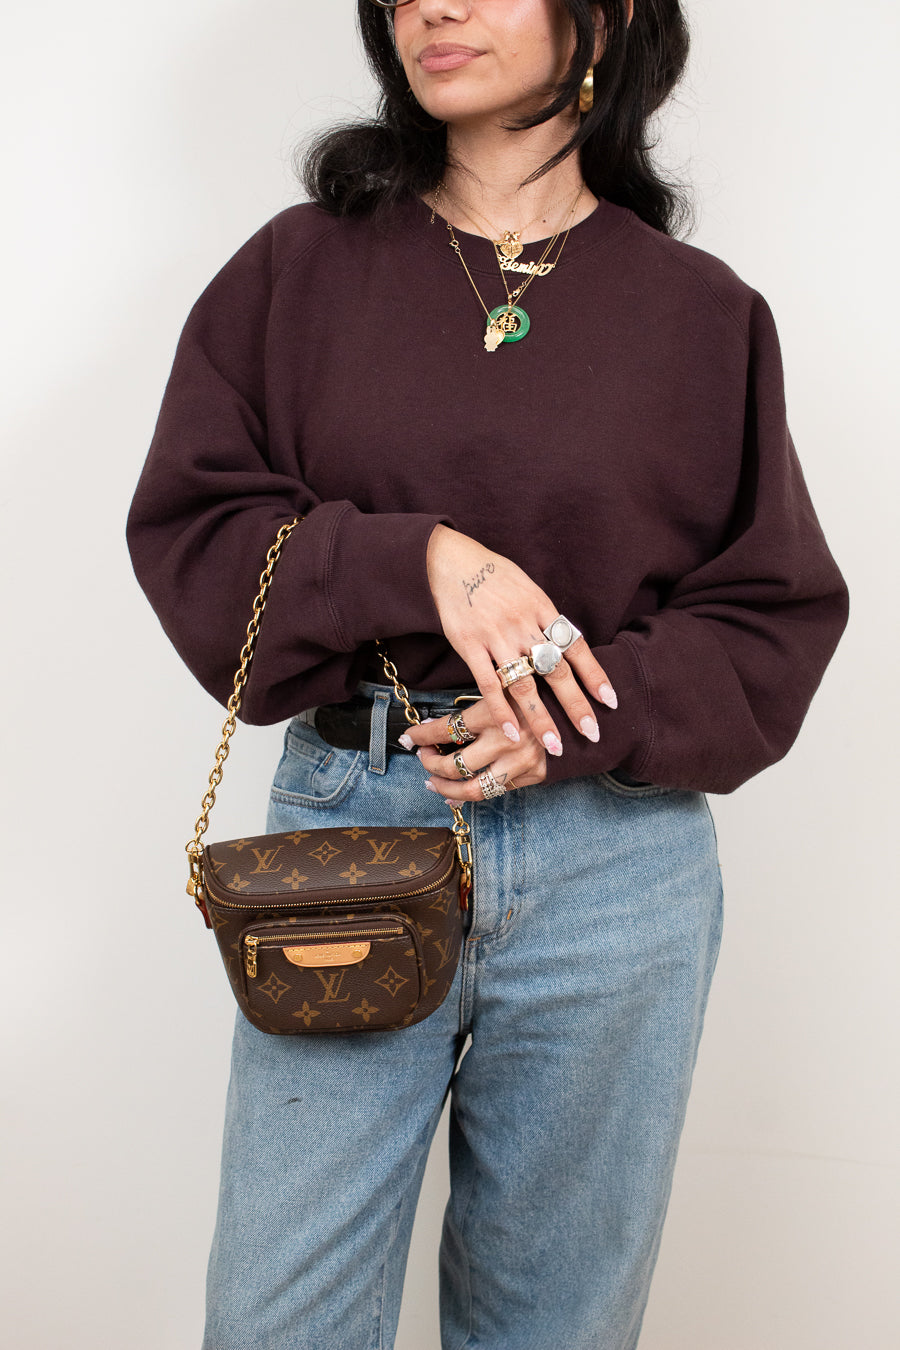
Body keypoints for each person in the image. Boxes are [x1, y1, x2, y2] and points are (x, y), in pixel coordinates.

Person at [126, 1, 848, 1346]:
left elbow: (771, 619)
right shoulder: (296, 275)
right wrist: (420, 562)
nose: (430, 8)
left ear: (608, 17)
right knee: (277, 1320)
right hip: (352, 834)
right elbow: (198, 539)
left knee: (556, 1329)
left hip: (617, 871)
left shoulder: (701, 316)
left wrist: (572, 719)